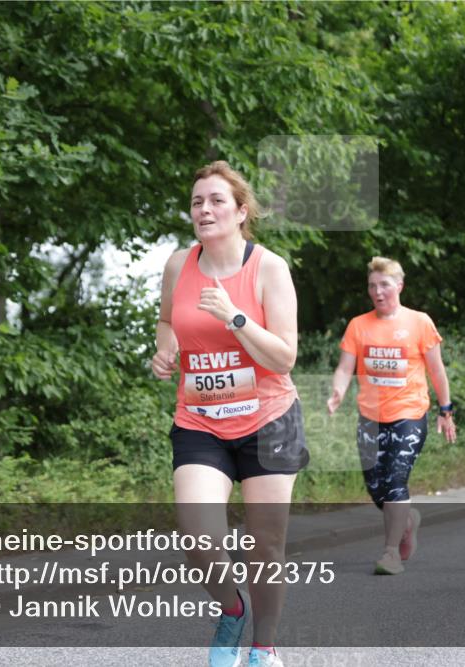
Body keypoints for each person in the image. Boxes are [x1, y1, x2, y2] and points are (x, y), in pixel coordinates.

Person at [152, 161, 308, 667]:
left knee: (267, 545)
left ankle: (263, 647)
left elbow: (284, 357)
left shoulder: (267, 267)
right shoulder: (179, 265)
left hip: (268, 419)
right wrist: (165, 349)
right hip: (200, 420)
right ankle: (232, 606)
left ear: (242, 212)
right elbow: (166, 320)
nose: (204, 209)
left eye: (216, 200)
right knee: (198, 536)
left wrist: (236, 318)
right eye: (197, 201)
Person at [327, 257, 457, 575]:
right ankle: (408, 519)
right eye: (372, 286)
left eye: (384, 284)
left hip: (409, 413)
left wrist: (446, 410)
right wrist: (337, 392)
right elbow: (345, 367)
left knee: (396, 480)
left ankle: (390, 553)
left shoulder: (419, 322)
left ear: (399, 285)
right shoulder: (359, 325)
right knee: (376, 488)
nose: (377, 291)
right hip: (370, 416)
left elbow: (436, 370)